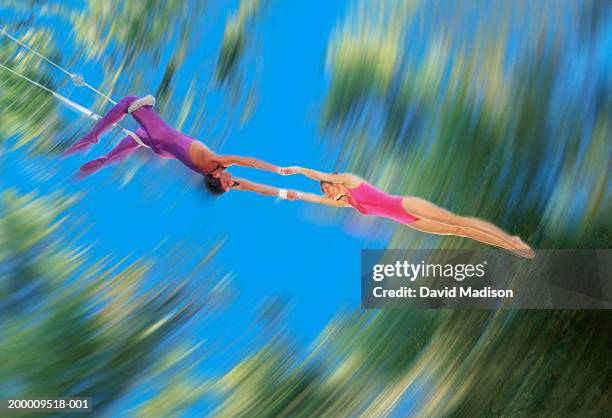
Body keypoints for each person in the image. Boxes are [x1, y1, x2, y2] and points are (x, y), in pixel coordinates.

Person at [276, 166, 535, 258]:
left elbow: (318, 176)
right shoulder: (347, 203)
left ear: (334, 181)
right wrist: (291, 194)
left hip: (406, 205)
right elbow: (314, 199)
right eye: (325, 191)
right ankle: (507, 245)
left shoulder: (349, 179)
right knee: (460, 232)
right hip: (408, 220)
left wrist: (298, 170)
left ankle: (511, 242)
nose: (327, 192)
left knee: (460, 221)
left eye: (327, 187)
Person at [65, 94, 282, 193]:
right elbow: (250, 186)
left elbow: (247, 161)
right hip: (165, 150)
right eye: (232, 184)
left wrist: (278, 170)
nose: (232, 182)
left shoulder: (214, 161)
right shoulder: (210, 170)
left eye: (228, 183)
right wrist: (282, 190)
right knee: (136, 137)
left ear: (216, 177)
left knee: (129, 101)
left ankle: (92, 137)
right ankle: (106, 159)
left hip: (162, 136)